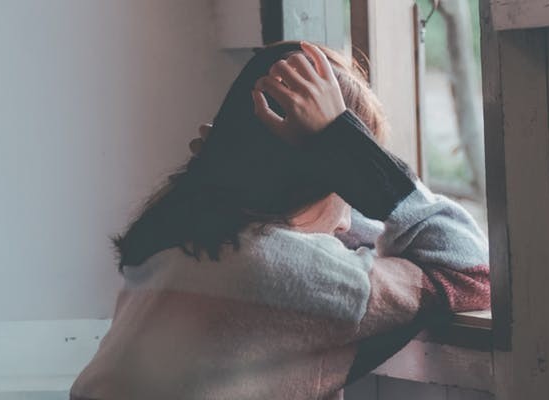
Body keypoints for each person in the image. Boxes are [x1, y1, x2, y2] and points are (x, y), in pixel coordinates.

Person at [69, 40, 490, 400]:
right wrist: (350, 149)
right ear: (322, 180)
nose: (348, 222)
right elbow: (471, 269)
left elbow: (334, 233)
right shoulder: (288, 273)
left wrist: (230, 162)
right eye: (345, 190)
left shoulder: (175, 241)